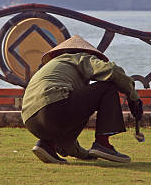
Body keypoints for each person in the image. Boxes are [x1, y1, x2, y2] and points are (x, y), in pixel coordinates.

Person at [21, 35, 142, 164]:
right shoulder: (79, 57)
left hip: (31, 121)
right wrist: (134, 99)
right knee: (108, 87)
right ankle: (103, 143)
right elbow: (112, 71)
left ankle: (46, 145)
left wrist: (86, 155)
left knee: (65, 114)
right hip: (55, 109)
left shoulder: (52, 67)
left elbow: (68, 142)